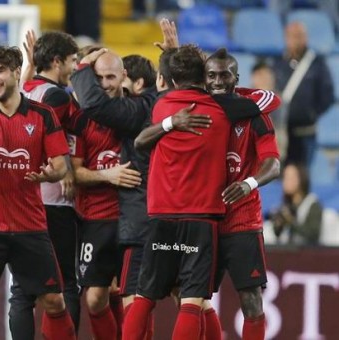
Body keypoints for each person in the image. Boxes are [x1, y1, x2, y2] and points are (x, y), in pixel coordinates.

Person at [127, 44, 262, 340]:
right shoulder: (224, 108)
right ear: (204, 76)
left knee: (144, 295)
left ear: (171, 79)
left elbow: (140, 141)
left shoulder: (161, 105)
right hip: (200, 220)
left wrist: (170, 122)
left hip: (161, 217)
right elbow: (266, 102)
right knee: (192, 300)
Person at [0, 45, 76, 340]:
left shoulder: (43, 115)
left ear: (17, 72)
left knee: (54, 301)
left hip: (31, 225)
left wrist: (50, 173)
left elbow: (61, 167)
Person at [205, 49, 281, 340]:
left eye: (225, 75)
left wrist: (248, 183)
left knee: (251, 302)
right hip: (205, 219)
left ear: (236, 78)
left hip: (242, 222)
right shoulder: (196, 113)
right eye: (211, 75)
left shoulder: (254, 116)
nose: (218, 81)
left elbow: (273, 165)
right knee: (192, 300)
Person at [10, 30, 81, 338]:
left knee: (21, 289)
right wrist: (65, 169)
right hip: (54, 200)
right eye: (73, 60)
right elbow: (49, 134)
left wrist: (28, 66)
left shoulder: (24, 90)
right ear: (57, 61)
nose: (76, 67)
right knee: (66, 283)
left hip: (22, 200)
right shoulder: (58, 98)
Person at [69, 50, 143, 340]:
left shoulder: (137, 112)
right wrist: (107, 175)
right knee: (95, 298)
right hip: (96, 219)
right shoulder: (82, 121)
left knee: (133, 297)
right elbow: (74, 172)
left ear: (124, 77)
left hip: (132, 219)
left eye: (110, 76)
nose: (104, 83)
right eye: (97, 77)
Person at [272, 22, 334, 167]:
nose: (296, 40)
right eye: (292, 36)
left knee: (303, 174)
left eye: (299, 36)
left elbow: (328, 95)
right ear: (285, 38)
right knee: (281, 176)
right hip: (282, 132)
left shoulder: (317, 64)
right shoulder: (278, 63)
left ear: (306, 38)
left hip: (306, 131)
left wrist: (312, 113)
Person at [269, 163, 323, 245]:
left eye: (290, 178)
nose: (285, 182)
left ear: (301, 179)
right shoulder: (285, 205)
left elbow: (313, 235)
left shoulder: (312, 204)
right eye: (285, 177)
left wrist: (291, 221)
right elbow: (277, 234)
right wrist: (278, 223)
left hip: (306, 254)